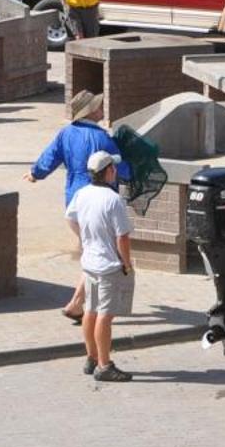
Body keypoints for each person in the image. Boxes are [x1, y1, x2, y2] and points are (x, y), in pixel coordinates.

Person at [28, 90, 130, 322]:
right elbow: (123, 170)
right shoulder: (102, 139)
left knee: (92, 250)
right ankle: (77, 303)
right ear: (92, 111)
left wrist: (35, 174)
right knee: (102, 253)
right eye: (99, 106)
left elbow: (49, 157)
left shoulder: (66, 133)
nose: (103, 109)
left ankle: (78, 303)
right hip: (98, 201)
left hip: (74, 201)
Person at [66, 150, 136, 383]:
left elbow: (71, 218)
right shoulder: (113, 200)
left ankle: (91, 358)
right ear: (108, 171)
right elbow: (122, 238)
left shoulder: (82, 193)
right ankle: (104, 365)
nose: (115, 171)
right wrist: (126, 263)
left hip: (90, 263)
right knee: (105, 316)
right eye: (113, 168)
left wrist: (85, 240)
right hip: (108, 266)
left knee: (90, 311)